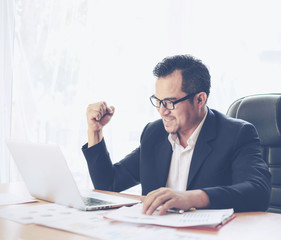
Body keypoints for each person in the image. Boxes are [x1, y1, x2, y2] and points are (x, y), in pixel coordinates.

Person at [82, 55, 271, 215]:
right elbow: (108, 185)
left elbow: (258, 192)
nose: (162, 111)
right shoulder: (154, 133)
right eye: (158, 101)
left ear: (199, 99)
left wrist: (191, 197)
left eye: (170, 102)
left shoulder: (236, 134)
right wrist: (95, 131)